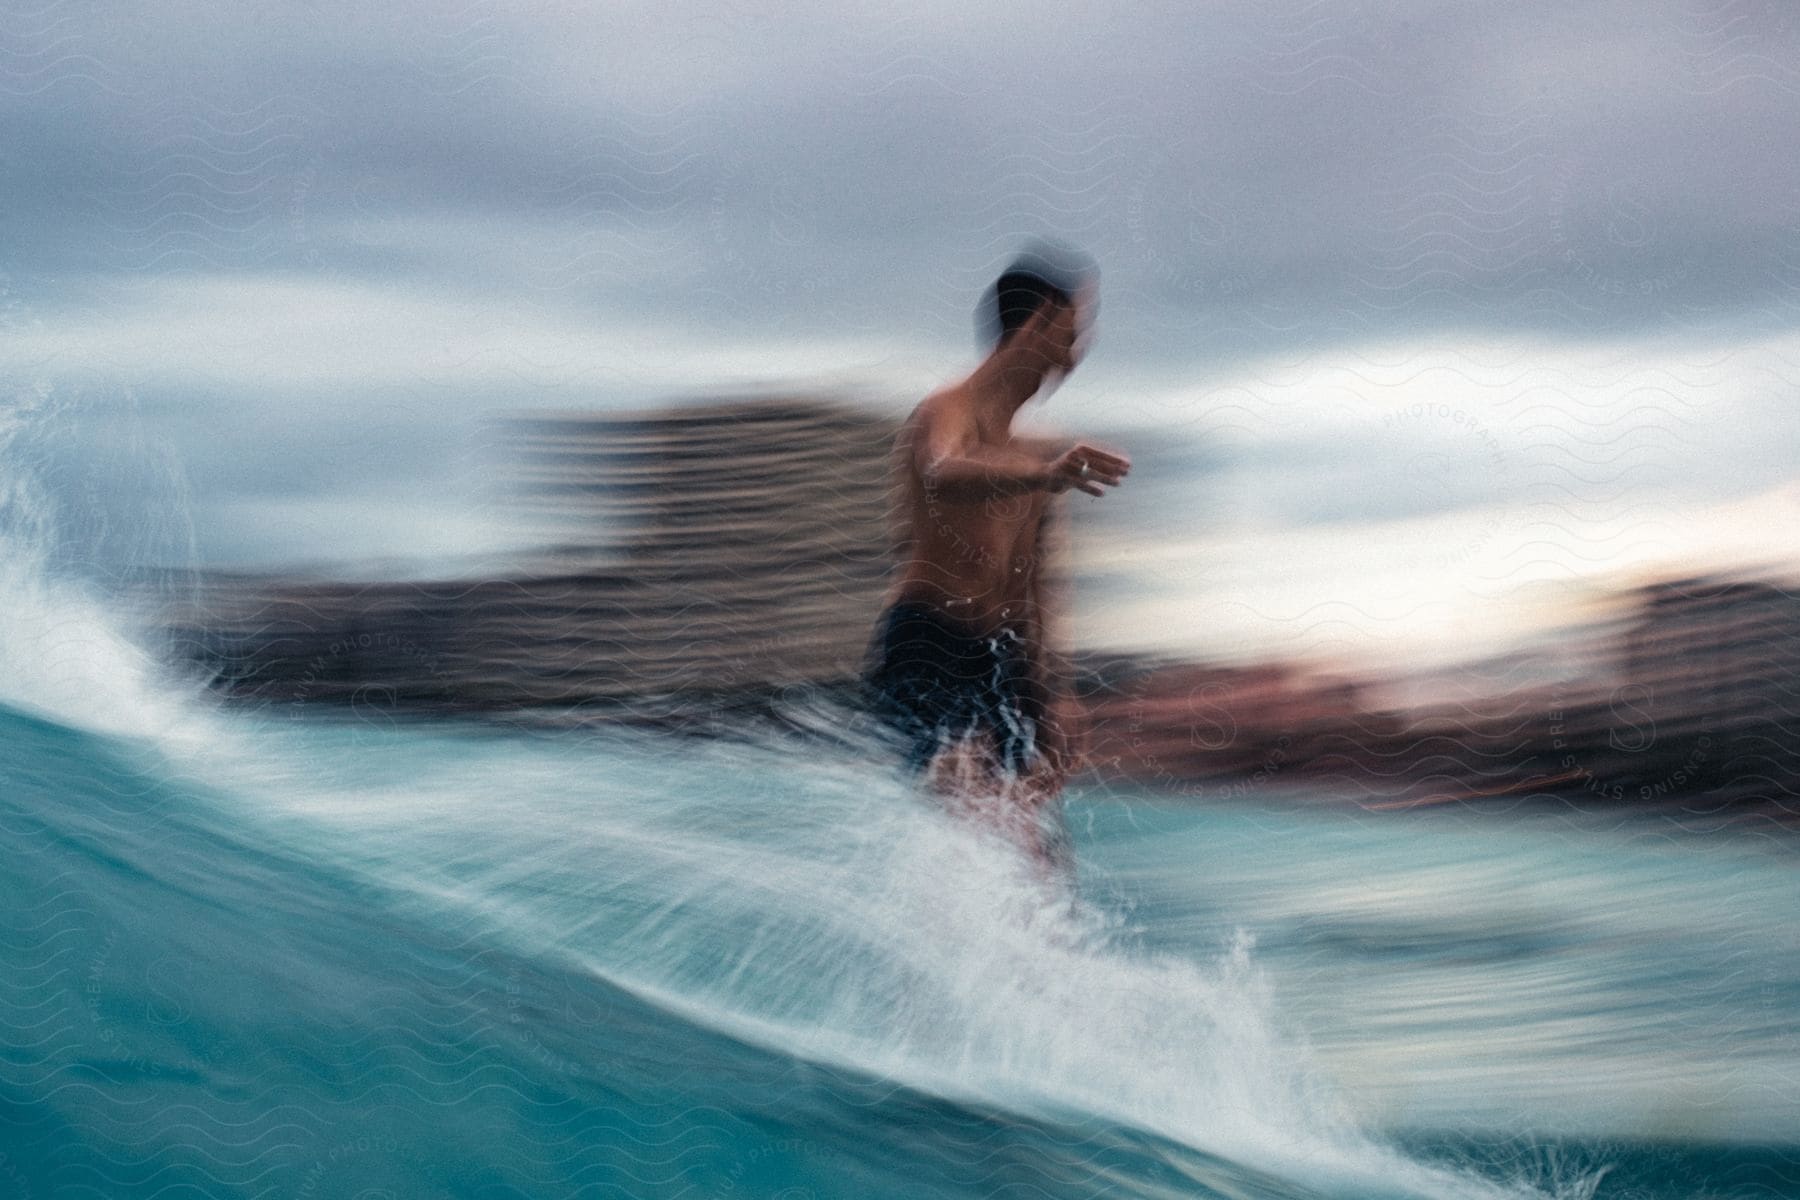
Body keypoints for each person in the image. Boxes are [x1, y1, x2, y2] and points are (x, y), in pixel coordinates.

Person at [864, 244, 1129, 878]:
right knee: (967, 809)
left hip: (998, 660)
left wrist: (1051, 697)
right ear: (1035, 324)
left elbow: (1030, 589)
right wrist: (1043, 474)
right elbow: (942, 471)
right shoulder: (945, 411)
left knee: (1036, 852)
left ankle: (1034, 970)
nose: (1076, 352)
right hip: (926, 644)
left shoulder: (1038, 458)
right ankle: (930, 947)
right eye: (1072, 331)